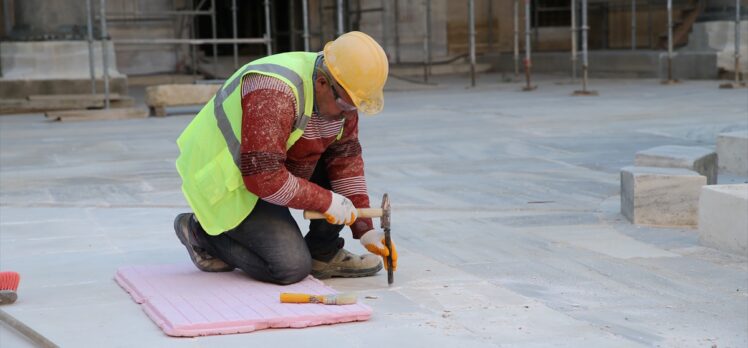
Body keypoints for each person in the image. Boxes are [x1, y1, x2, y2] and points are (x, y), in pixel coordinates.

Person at [173, 31, 398, 285]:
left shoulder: (342, 87)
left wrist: (365, 228)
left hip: (267, 165)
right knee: (290, 267)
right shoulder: (275, 92)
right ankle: (199, 232)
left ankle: (323, 252)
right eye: (346, 105)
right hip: (227, 182)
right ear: (323, 83)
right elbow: (263, 178)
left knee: (333, 161)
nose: (350, 113)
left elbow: (344, 157)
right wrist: (325, 201)